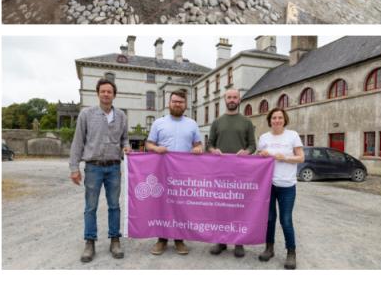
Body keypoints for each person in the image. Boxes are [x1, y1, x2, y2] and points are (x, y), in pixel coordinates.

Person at [69, 78, 132, 262]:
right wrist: (74, 167)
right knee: (91, 207)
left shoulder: (121, 116)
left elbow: (125, 139)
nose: (106, 94)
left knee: (114, 206)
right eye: (103, 91)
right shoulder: (86, 114)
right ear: (98, 93)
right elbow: (78, 142)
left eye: (109, 91)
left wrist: (126, 146)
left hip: (114, 167)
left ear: (114, 95)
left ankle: (115, 240)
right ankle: (90, 242)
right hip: (93, 167)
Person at [145, 89, 203, 256]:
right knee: (162, 205)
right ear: (169, 103)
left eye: (181, 102)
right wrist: (156, 148)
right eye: (175, 101)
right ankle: (162, 239)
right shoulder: (159, 123)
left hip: (183, 174)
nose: (177, 104)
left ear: (185, 105)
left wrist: (198, 148)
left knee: (181, 206)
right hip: (162, 172)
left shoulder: (192, 124)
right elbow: (148, 144)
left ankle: (179, 239)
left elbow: (198, 144)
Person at [207, 89, 257, 258]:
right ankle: (221, 241)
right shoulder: (217, 122)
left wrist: (247, 152)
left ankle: (238, 242)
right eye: (229, 97)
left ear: (239, 99)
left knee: (238, 207)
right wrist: (213, 150)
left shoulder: (247, 122)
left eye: (235, 97)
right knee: (221, 208)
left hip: (240, 172)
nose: (232, 100)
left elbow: (252, 145)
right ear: (225, 99)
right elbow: (209, 144)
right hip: (220, 172)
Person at [256, 108, 304, 270]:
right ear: (270, 120)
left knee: (286, 220)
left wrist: (285, 158)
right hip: (268, 185)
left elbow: (301, 158)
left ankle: (291, 252)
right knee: (269, 219)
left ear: (284, 120)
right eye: (274, 118)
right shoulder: (264, 137)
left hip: (287, 186)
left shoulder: (293, 135)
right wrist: (261, 155)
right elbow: (258, 159)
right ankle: (269, 248)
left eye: (280, 118)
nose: (277, 120)